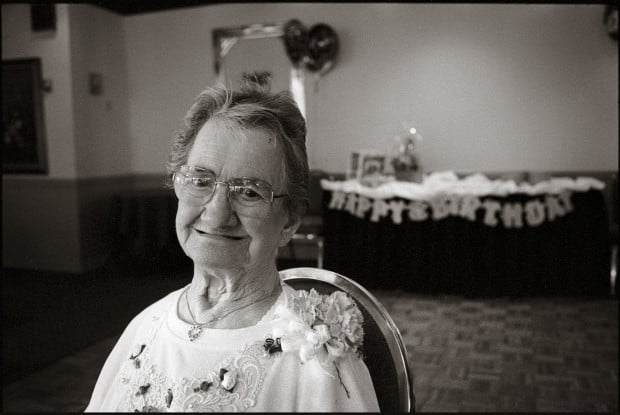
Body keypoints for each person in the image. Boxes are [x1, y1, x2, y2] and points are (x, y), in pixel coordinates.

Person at [85, 84, 380, 412]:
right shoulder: (146, 326)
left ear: (289, 221)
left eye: (250, 192)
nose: (216, 213)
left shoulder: (316, 359)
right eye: (200, 181)